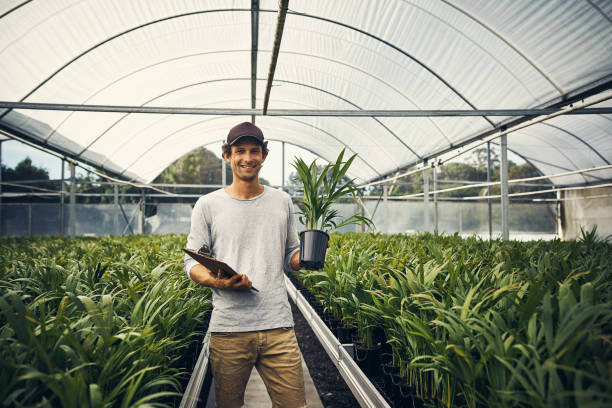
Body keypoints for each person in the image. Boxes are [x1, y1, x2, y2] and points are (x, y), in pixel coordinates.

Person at [184, 121, 306, 408]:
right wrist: (218, 281)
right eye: (240, 150)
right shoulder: (208, 205)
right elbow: (191, 261)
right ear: (227, 155)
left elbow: (291, 255)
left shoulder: (282, 201)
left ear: (264, 156)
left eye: (254, 151)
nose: (247, 158)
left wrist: (308, 258)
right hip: (229, 329)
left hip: (278, 326)